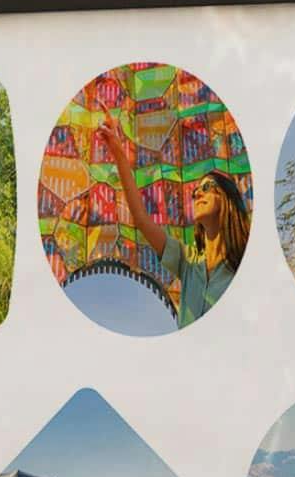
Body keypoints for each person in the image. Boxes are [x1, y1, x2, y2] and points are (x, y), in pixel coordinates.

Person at [103, 116, 249, 328]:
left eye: (207, 187)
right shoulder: (188, 263)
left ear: (227, 199)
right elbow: (142, 220)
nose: (198, 193)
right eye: (196, 191)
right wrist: (118, 153)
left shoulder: (243, 263)